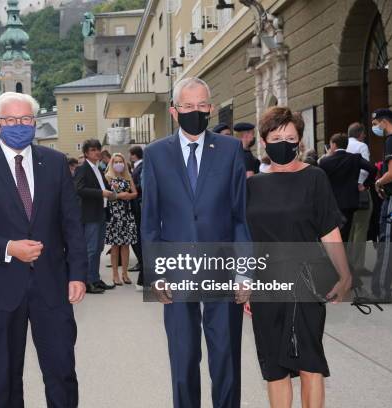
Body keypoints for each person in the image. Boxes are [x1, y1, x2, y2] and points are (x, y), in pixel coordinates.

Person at [0, 92, 87, 407]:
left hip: (52, 285)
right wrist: (9, 247)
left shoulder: (54, 163)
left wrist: (78, 273)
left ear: (35, 123)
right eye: (11, 120)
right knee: (5, 377)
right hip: (0, 288)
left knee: (62, 372)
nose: (19, 125)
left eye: (26, 119)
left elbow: (72, 224)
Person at [142, 77, 251, 408]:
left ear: (211, 108)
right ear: (175, 111)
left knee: (226, 357)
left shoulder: (231, 149)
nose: (195, 111)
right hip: (175, 270)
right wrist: (154, 273)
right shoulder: (156, 154)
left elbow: (239, 216)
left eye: (201, 105)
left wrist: (244, 272)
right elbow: (150, 220)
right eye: (188, 106)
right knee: (183, 356)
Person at [246, 106, 352, 408]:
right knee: (274, 368)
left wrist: (345, 275)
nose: (283, 143)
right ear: (264, 141)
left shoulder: (315, 178)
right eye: (276, 137)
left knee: (309, 361)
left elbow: (329, 231)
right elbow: (246, 241)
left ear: (300, 141)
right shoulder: (252, 186)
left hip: (307, 280)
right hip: (266, 284)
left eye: (290, 137)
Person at [74, 139, 117, 294]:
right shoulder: (83, 168)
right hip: (90, 215)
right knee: (91, 250)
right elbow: (79, 189)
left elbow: (103, 188)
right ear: (86, 153)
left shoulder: (97, 168)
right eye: (93, 150)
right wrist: (101, 193)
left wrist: (111, 191)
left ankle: (95, 279)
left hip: (100, 213)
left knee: (98, 249)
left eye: (98, 149)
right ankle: (87, 282)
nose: (97, 152)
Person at [319, 133, 375, 243]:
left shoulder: (325, 161)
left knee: (332, 234)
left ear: (334, 145)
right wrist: (365, 184)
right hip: (350, 202)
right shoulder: (355, 158)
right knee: (346, 234)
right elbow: (372, 169)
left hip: (332, 203)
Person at [370, 108, 392, 304]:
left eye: (376, 123)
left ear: (384, 121)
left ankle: (381, 291)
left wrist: (379, 182)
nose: (375, 127)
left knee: (386, 243)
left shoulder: (391, 140)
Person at [104, 153, 138, 285]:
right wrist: (119, 196)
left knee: (126, 245)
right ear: (112, 163)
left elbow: (135, 193)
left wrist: (128, 196)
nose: (119, 164)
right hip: (114, 215)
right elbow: (105, 195)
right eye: (116, 161)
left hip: (127, 214)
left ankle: (125, 273)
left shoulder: (128, 177)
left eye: (121, 161)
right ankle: (115, 274)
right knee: (115, 245)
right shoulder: (107, 177)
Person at [346, 123, 373, 275]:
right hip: (360, 191)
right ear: (360, 134)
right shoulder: (361, 146)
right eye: (363, 134)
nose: (364, 136)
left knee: (350, 229)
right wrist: (361, 184)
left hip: (346, 193)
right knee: (361, 228)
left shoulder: (344, 145)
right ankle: (357, 265)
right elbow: (366, 168)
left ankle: (347, 263)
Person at [129, 145, 144, 283]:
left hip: (138, 205)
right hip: (135, 204)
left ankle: (142, 261)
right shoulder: (137, 167)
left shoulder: (141, 167)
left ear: (134, 155)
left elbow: (140, 186)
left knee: (138, 236)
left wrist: (130, 187)